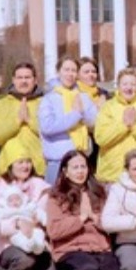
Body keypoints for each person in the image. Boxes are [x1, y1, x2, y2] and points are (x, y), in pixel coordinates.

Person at [45, 150, 131, 270]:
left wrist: (95, 218)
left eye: (83, 167)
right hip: (71, 249)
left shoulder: (100, 192)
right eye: (75, 167)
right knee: (88, 268)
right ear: (65, 171)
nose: (80, 171)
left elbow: (111, 223)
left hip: (99, 248)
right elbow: (54, 231)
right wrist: (81, 219)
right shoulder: (56, 196)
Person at [93, 67, 136, 184]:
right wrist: (124, 125)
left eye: (133, 84)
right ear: (118, 86)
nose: (129, 88)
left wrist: (134, 126)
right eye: (125, 84)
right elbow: (101, 139)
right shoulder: (108, 107)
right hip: (111, 175)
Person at [38, 56, 98, 184]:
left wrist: (83, 114)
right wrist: (75, 115)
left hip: (81, 159)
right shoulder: (49, 98)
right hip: (58, 161)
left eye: (74, 70)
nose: (70, 74)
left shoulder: (83, 96)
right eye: (66, 70)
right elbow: (47, 127)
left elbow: (94, 122)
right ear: (59, 72)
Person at [0, 61, 45, 178]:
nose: (23, 81)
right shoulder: (1, 105)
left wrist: (30, 121)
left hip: (38, 170)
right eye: (20, 78)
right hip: (9, 171)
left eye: (27, 77)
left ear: (35, 80)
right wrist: (17, 122)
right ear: (13, 80)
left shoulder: (45, 103)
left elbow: (53, 133)